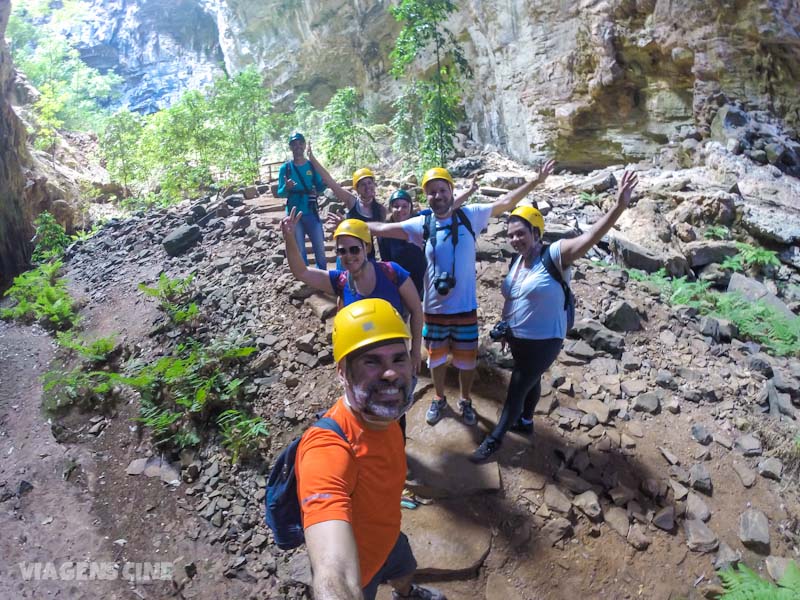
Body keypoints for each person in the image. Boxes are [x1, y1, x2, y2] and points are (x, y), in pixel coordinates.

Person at [469, 170, 639, 462]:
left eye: (521, 233)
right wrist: (504, 325)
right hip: (518, 336)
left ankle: (494, 440)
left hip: (545, 340)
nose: (514, 239)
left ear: (537, 233)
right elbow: (513, 295)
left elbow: (589, 237)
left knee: (519, 384)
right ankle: (525, 421)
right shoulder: (517, 261)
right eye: (510, 235)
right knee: (531, 380)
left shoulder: (556, 255)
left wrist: (618, 206)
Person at [368, 162, 555, 427]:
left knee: (467, 363)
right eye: (431, 192)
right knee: (436, 360)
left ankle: (465, 400)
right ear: (427, 197)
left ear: (451, 191)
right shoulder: (422, 223)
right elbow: (383, 229)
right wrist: (350, 227)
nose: (437, 196)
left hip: (465, 308)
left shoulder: (471, 215)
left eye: (442, 190)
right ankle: (440, 397)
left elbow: (506, 201)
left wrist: (536, 180)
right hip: (434, 310)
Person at [296, 298, 446, 600]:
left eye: (398, 359)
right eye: (371, 361)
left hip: (390, 538)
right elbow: (333, 571)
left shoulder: (383, 412)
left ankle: (406, 593)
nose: (390, 373)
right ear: (343, 372)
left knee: (405, 571)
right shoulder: (327, 448)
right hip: (359, 574)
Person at [281, 210, 423, 373]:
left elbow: (416, 310)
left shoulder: (392, 272)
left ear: (367, 248)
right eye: (342, 251)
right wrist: (290, 238)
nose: (348, 256)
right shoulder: (339, 281)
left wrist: (415, 350)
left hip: (394, 359)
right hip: (361, 363)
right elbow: (301, 272)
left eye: (354, 249)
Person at [307, 143, 386, 259]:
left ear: (374, 184)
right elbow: (330, 181)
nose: (367, 187)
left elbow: (385, 235)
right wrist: (312, 159)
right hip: (347, 252)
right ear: (357, 189)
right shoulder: (352, 201)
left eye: (370, 183)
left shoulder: (381, 210)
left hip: (368, 256)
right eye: (363, 184)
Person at [276, 132, 328, 268]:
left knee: (320, 248)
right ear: (290, 147)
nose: (297, 146)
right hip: (294, 216)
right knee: (300, 250)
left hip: (311, 211)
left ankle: (323, 277)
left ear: (304, 145)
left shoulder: (311, 166)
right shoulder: (285, 169)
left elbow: (320, 187)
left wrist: (325, 182)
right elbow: (280, 193)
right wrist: (286, 188)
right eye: (294, 144)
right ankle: (305, 278)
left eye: (300, 143)